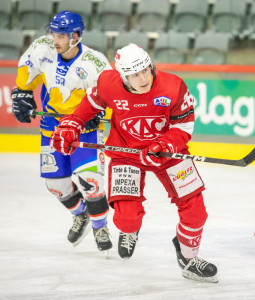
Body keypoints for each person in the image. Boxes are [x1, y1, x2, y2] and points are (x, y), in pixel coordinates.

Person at [50, 43, 218, 282]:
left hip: (168, 153)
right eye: (134, 74)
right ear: (123, 76)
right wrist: (72, 124)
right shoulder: (108, 84)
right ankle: (131, 230)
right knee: (126, 221)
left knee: (196, 211)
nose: (143, 78)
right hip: (126, 153)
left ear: (151, 65)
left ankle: (188, 258)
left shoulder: (173, 86)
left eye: (146, 70)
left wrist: (165, 145)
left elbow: (183, 126)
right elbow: (88, 107)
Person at [11, 11, 113, 253]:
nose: (55, 40)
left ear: (75, 36)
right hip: (52, 128)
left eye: (61, 35)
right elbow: (27, 71)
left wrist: (96, 112)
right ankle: (81, 215)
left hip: (83, 129)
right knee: (56, 185)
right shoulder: (42, 48)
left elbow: (110, 94)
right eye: (54, 33)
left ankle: (100, 227)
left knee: (91, 181)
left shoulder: (95, 62)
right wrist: (22, 92)